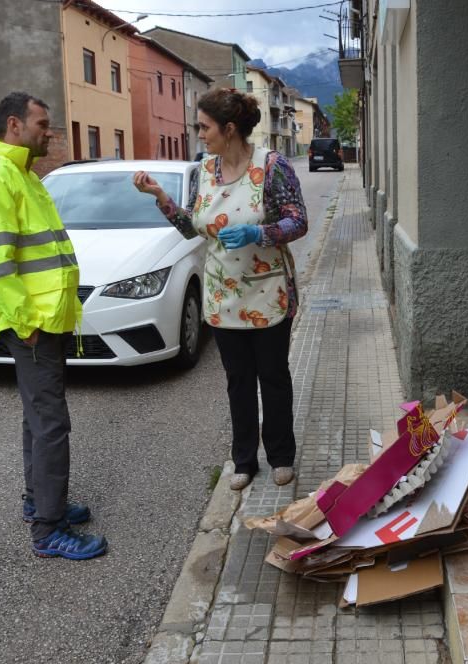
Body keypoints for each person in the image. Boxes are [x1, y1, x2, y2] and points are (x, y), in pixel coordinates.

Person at [0, 92, 107, 560]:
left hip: (45, 321)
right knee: (51, 424)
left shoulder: (21, 175)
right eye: (42, 123)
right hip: (31, 324)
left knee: (37, 419)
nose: (49, 131)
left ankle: (40, 500)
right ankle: (48, 529)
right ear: (14, 125)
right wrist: (25, 324)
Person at [134, 88, 308, 491]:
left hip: (268, 294)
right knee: (238, 380)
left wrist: (259, 232)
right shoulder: (206, 171)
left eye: (204, 127)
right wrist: (160, 196)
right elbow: (192, 227)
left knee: (274, 377)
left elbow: (298, 222)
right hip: (222, 296)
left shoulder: (273, 166)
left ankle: (281, 455)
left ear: (229, 129)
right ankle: (244, 459)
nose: (200, 134)